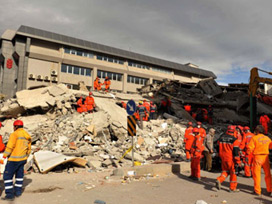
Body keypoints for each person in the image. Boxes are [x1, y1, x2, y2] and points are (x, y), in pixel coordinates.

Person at [2, 120, 31, 201]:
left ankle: (9, 195)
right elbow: (29, 148)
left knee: (7, 176)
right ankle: (18, 192)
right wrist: (26, 156)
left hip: (13, 159)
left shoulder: (14, 134)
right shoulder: (26, 134)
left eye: (14, 127)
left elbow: (10, 146)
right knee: (19, 176)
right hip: (22, 159)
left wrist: (4, 156)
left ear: (16, 127)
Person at [247, 125, 272, 196]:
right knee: (268, 174)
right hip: (266, 158)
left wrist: (247, 154)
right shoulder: (267, 138)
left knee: (257, 175)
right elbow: (270, 146)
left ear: (257, 131)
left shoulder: (254, 138)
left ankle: (257, 191)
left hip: (257, 157)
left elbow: (250, 148)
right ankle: (269, 190)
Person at [216, 125, 241, 192]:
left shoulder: (221, 138)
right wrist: (238, 161)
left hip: (223, 157)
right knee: (233, 173)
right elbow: (236, 152)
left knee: (225, 171)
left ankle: (219, 179)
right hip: (230, 158)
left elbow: (217, 146)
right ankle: (232, 188)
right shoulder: (234, 140)